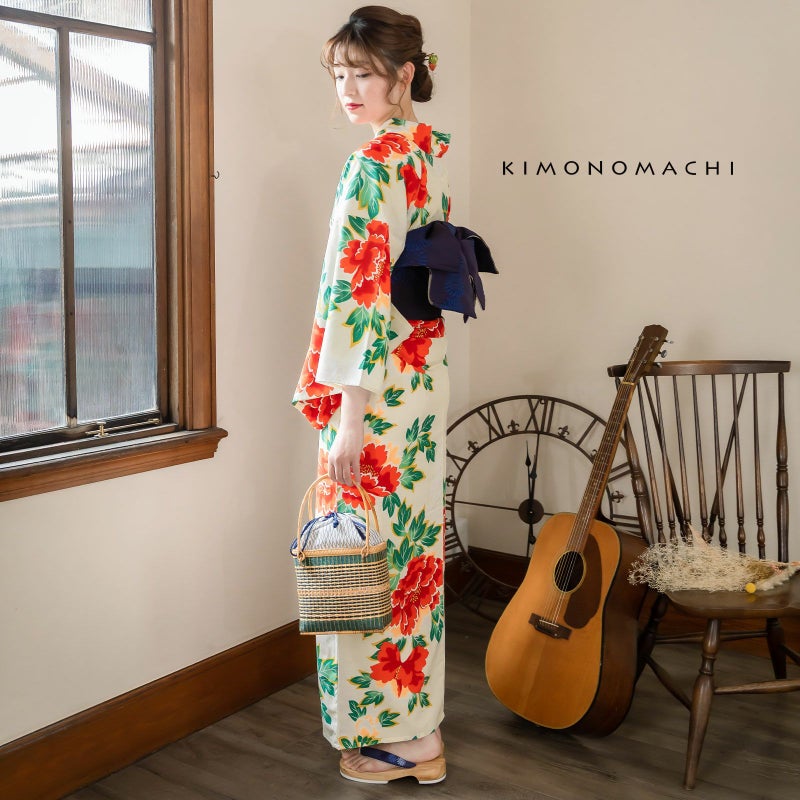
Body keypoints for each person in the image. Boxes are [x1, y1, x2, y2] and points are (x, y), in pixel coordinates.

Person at [292, 5, 471, 786]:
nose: (348, 88)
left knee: (363, 555)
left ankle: (398, 741)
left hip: (377, 392)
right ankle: (419, 728)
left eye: (363, 73)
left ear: (404, 75)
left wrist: (349, 415)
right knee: (410, 559)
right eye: (339, 73)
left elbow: (359, 295)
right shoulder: (425, 153)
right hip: (419, 379)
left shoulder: (373, 164)